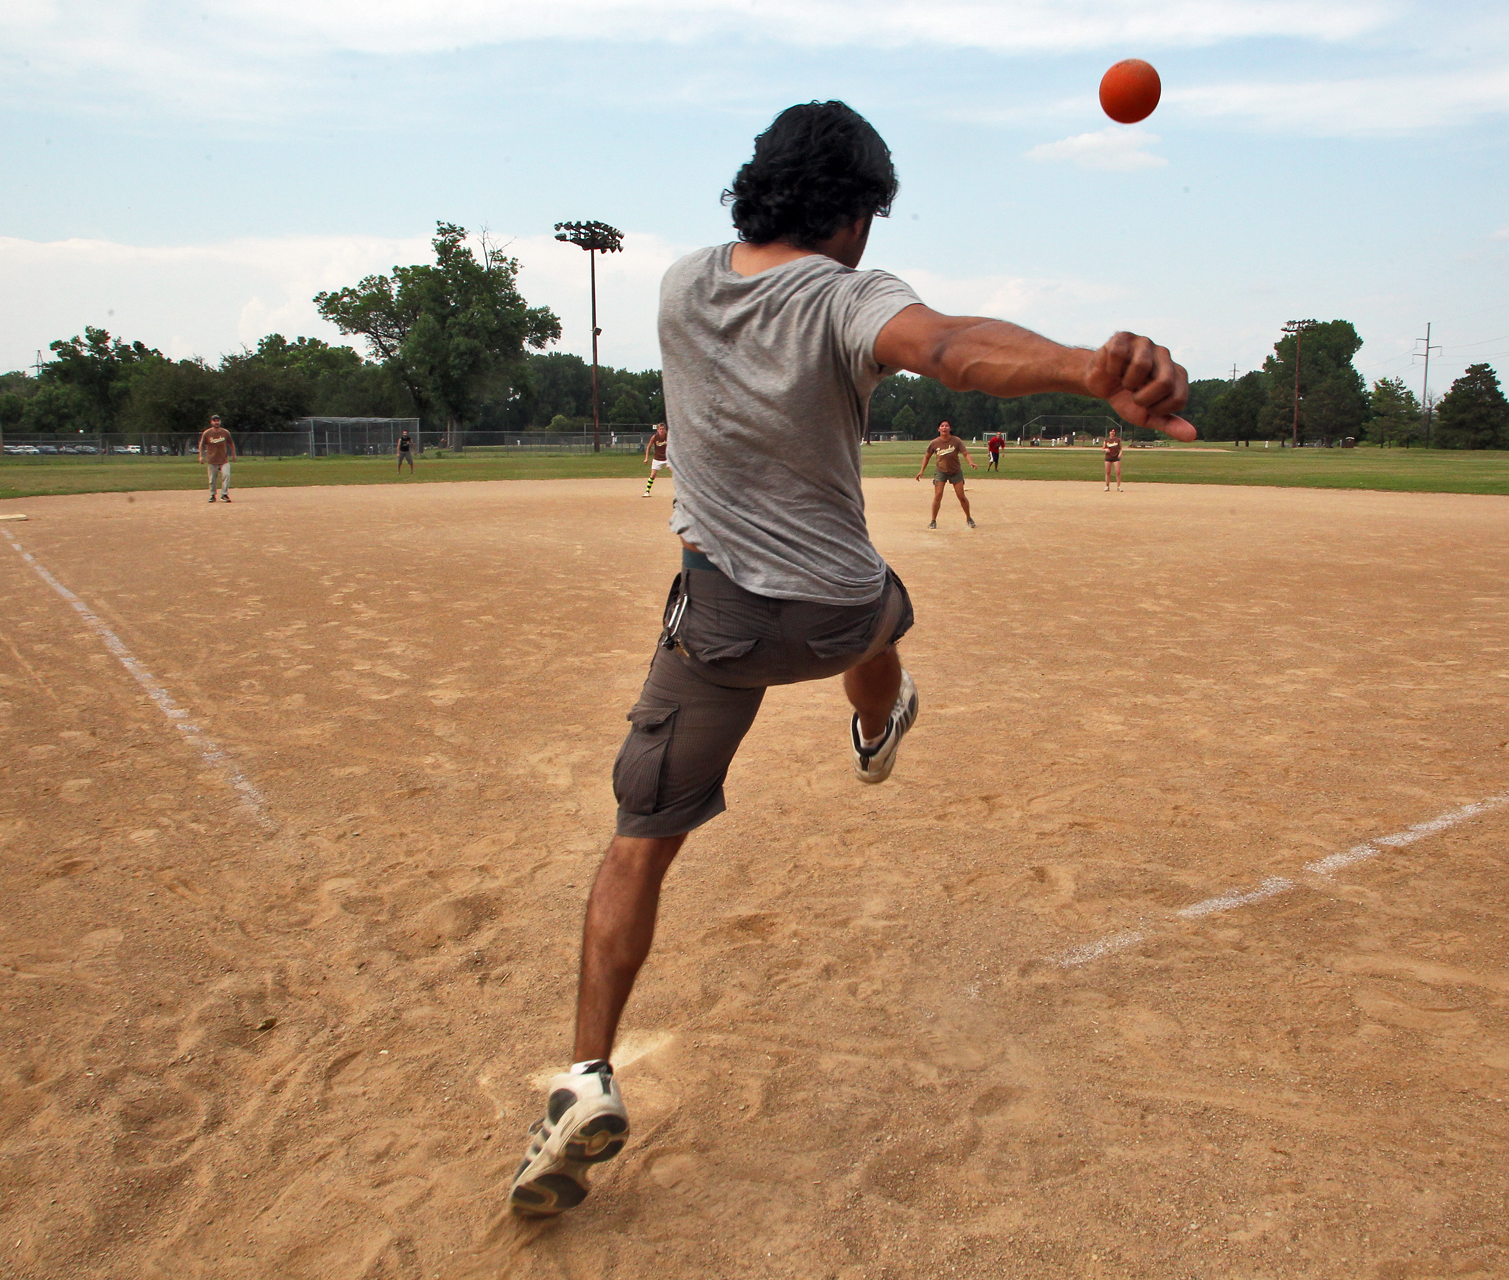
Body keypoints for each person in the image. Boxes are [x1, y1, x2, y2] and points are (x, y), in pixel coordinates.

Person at [505, 99, 1192, 1218]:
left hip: (720, 624)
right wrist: (1085, 364)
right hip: (837, 610)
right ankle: (876, 726)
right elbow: (950, 347)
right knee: (887, 614)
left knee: (638, 845)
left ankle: (582, 1077)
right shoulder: (848, 292)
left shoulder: (681, 284)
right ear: (860, 212)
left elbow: (942, 344)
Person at [916, 420, 978, 528]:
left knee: (961, 496)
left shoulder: (956, 441)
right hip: (941, 472)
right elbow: (927, 457)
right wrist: (922, 471)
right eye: (942, 426)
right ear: (938, 429)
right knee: (938, 495)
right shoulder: (934, 443)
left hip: (955, 471)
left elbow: (965, 453)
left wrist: (970, 462)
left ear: (950, 428)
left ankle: (969, 518)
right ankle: (933, 521)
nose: (944, 428)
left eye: (946, 426)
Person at [198, 415, 235, 502]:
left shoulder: (225, 432)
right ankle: (212, 495)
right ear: (211, 422)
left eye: (218, 420)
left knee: (226, 475)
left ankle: (224, 494)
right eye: (214, 421)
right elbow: (202, 445)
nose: (216, 422)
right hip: (212, 460)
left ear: (220, 422)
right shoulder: (207, 433)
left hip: (224, 459)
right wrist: (200, 456)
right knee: (212, 479)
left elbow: (231, 443)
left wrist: (234, 455)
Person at [643, 422, 672, 495]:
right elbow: (649, 447)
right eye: (660, 429)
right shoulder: (655, 437)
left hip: (667, 458)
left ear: (665, 430)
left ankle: (680, 491)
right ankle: (647, 491)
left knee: (675, 473)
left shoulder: (668, 436)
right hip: (657, 458)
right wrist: (646, 458)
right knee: (653, 475)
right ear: (657, 430)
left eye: (663, 429)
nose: (662, 430)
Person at [1102, 427, 1125, 491]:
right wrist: (1105, 449)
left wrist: (1120, 453)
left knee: (1118, 472)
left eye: (1113, 431)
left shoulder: (1117, 440)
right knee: (1108, 472)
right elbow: (1103, 449)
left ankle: (1118, 486)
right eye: (1111, 431)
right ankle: (1107, 486)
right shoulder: (1106, 440)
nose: (1112, 433)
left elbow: (1120, 448)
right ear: (1109, 432)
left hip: (1116, 457)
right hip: (1108, 457)